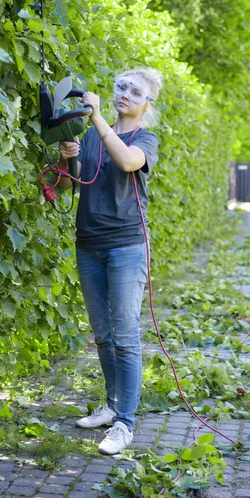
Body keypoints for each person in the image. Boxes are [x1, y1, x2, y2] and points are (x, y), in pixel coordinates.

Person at [58, 67, 161, 455]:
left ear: (146, 104)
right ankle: (113, 405)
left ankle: (125, 424)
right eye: (122, 87)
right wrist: (68, 156)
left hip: (126, 246)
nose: (126, 95)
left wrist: (98, 118)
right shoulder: (90, 137)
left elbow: (129, 162)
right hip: (88, 244)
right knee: (102, 334)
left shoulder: (143, 138)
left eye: (136, 92)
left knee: (126, 337)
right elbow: (70, 183)